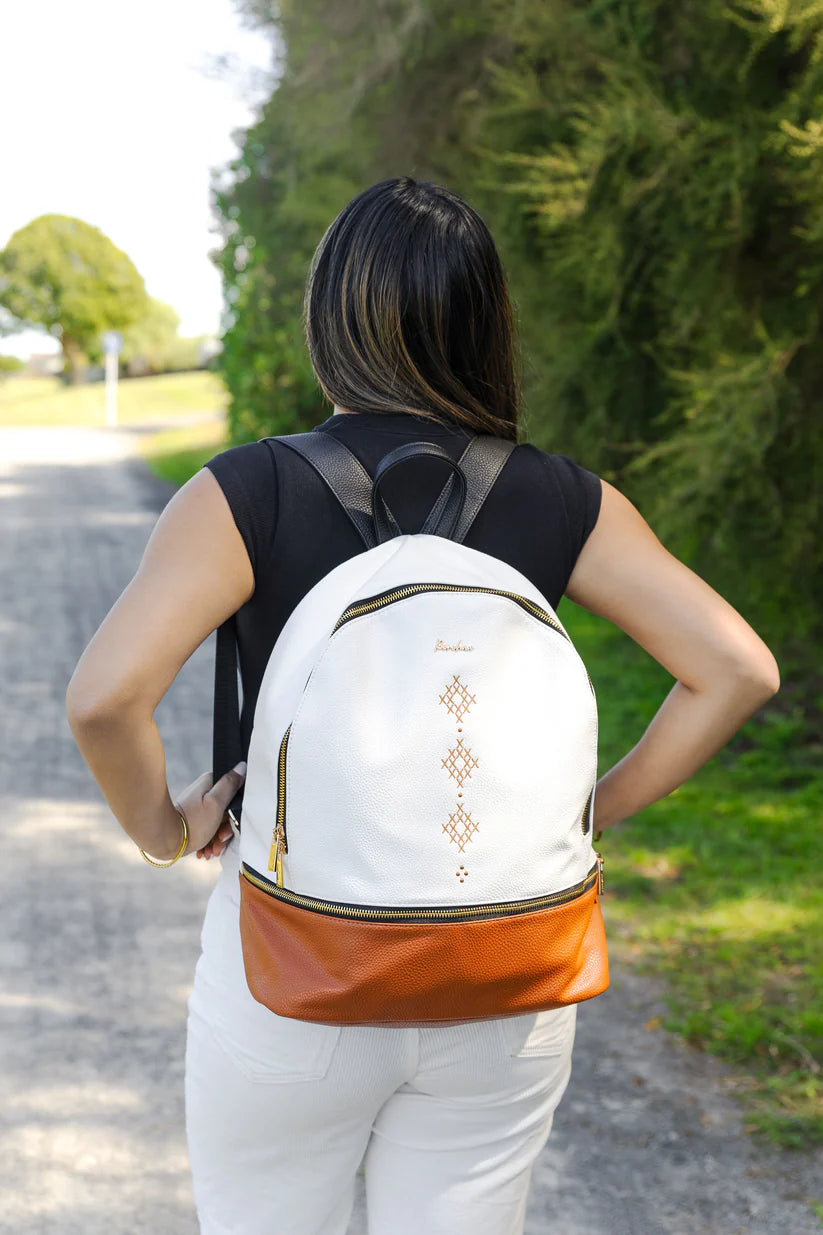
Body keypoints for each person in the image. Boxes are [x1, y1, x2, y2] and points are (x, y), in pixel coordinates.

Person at [66, 176, 780, 1235]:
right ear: (485, 323)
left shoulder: (247, 491)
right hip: (506, 969)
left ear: (329, 318)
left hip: (295, 967)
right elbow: (736, 669)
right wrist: (589, 811)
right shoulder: (562, 497)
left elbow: (104, 698)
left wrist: (170, 829)